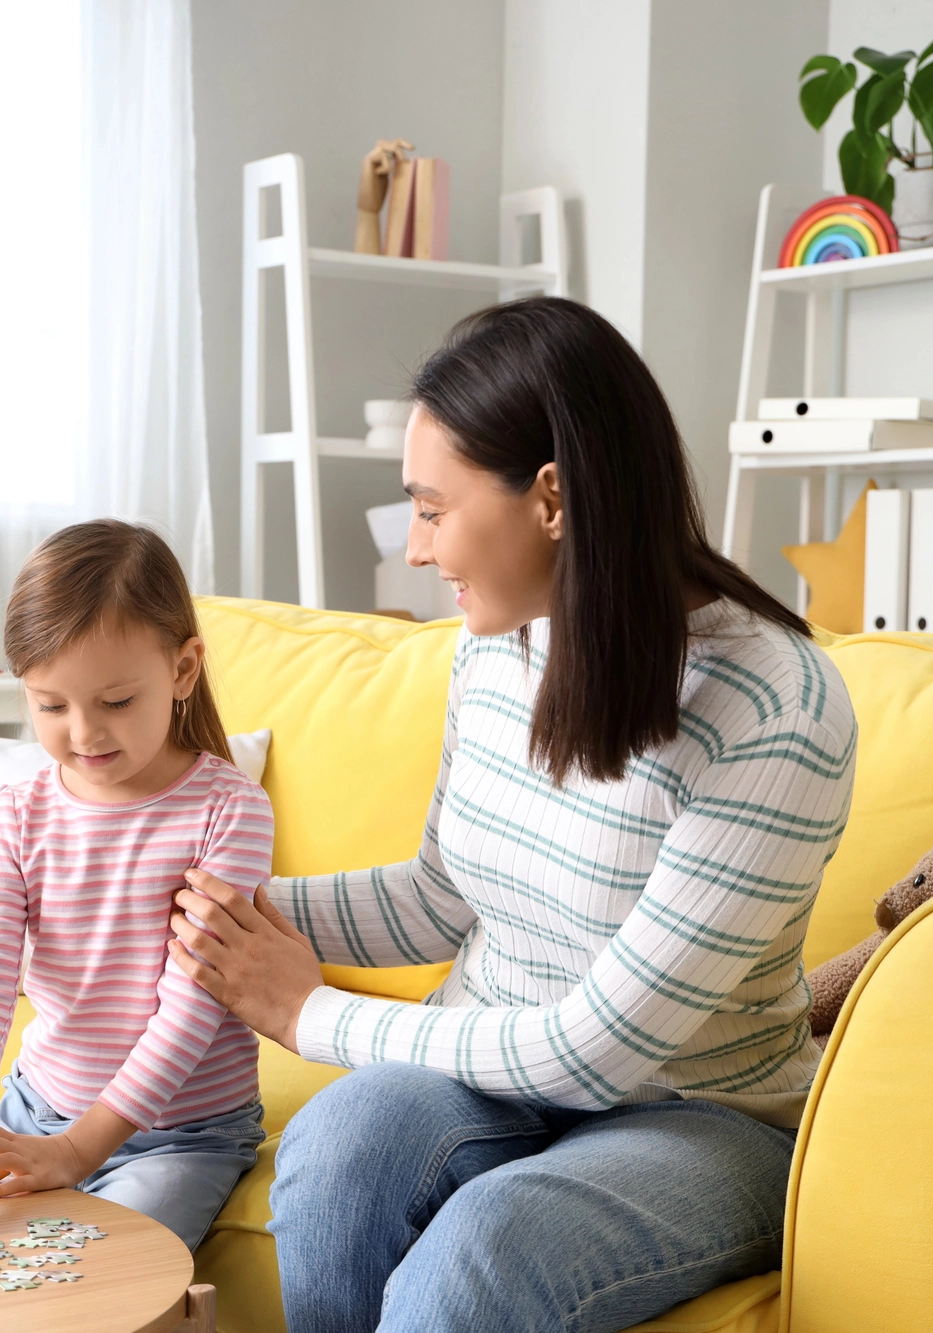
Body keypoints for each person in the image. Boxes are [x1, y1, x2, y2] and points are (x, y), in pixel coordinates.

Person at [167, 297, 857, 1333]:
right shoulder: (496, 638)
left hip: (698, 1115)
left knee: (480, 1253)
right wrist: (217, 914)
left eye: (432, 509)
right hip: (490, 1060)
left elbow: (599, 1052)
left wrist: (308, 1013)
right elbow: (440, 896)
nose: (412, 548)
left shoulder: (771, 706)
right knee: (339, 1149)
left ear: (552, 498)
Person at [0, 519, 274, 1251]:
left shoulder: (229, 810)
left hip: (180, 1136)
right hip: (35, 1109)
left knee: (96, 1277)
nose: (83, 732)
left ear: (183, 670)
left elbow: (191, 1010)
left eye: (115, 701)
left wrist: (79, 1151)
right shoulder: (16, 813)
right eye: (51, 705)